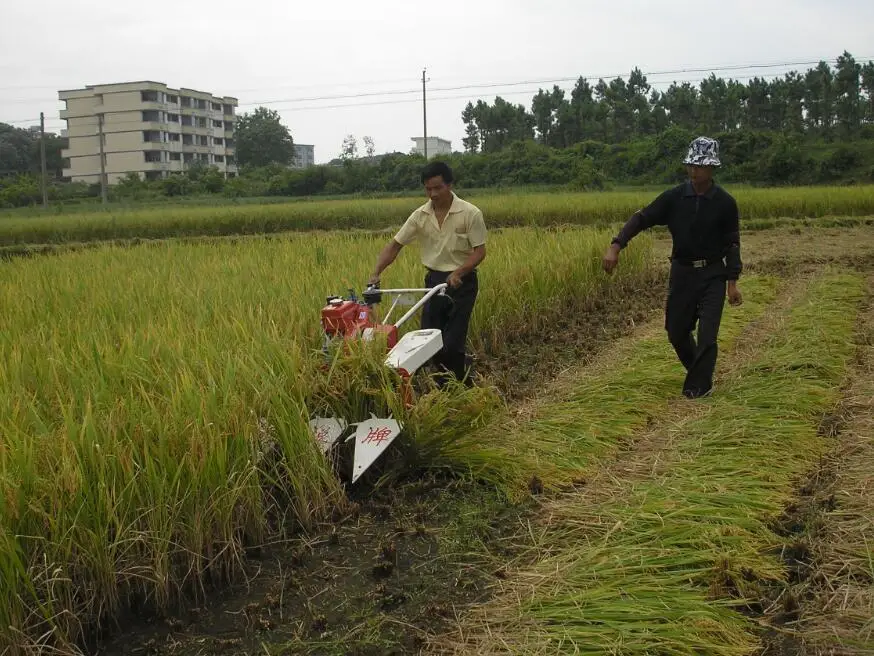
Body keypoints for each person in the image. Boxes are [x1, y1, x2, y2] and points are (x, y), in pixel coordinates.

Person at [602, 136, 744, 398]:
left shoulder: (725, 203)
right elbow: (642, 217)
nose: (694, 170)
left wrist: (732, 283)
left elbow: (732, 244)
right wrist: (616, 245)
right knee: (676, 332)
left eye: (699, 166)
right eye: (691, 165)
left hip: (713, 273)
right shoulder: (675, 198)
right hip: (683, 273)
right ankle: (699, 373)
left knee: (708, 336)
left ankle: (697, 390)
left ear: (712, 168)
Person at [368, 161, 487, 385]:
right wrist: (375, 273)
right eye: (428, 189)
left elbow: (480, 252)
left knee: (451, 343)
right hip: (433, 282)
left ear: (449, 185)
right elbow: (395, 245)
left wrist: (459, 272)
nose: (432, 194)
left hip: (462, 283)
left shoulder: (470, 213)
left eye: (437, 188)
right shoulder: (419, 215)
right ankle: (449, 382)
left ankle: (459, 384)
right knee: (428, 341)